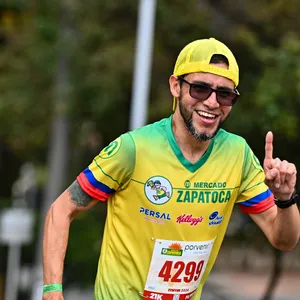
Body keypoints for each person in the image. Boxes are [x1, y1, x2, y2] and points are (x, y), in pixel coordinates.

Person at [42, 37, 300, 300]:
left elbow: (284, 240)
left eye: (225, 94)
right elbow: (61, 210)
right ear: (176, 86)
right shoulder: (133, 149)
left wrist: (285, 199)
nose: (212, 103)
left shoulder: (238, 155)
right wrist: (52, 291)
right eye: (200, 89)